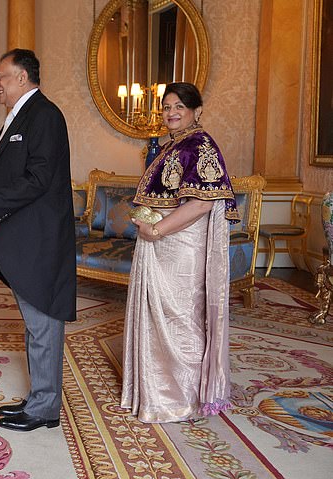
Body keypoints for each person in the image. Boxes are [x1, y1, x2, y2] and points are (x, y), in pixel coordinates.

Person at [0, 49, 76, 432]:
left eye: (1, 77)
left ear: (22, 77)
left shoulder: (45, 115)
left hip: (39, 239)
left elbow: (38, 179)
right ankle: (40, 396)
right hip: (25, 236)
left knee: (43, 322)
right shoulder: (23, 115)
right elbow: (13, 172)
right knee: (35, 323)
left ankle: (44, 409)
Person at [120, 82, 239, 423]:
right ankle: (158, 393)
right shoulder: (173, 146)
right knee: (160, 319)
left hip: (181, 247)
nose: (171, 113)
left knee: (180, 318)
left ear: (196, 111)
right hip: (163, 243)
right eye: (166, 107)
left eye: (179, 107)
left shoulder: (200, 145)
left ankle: (180, 399)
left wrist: (157, 230)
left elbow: (203, 202)